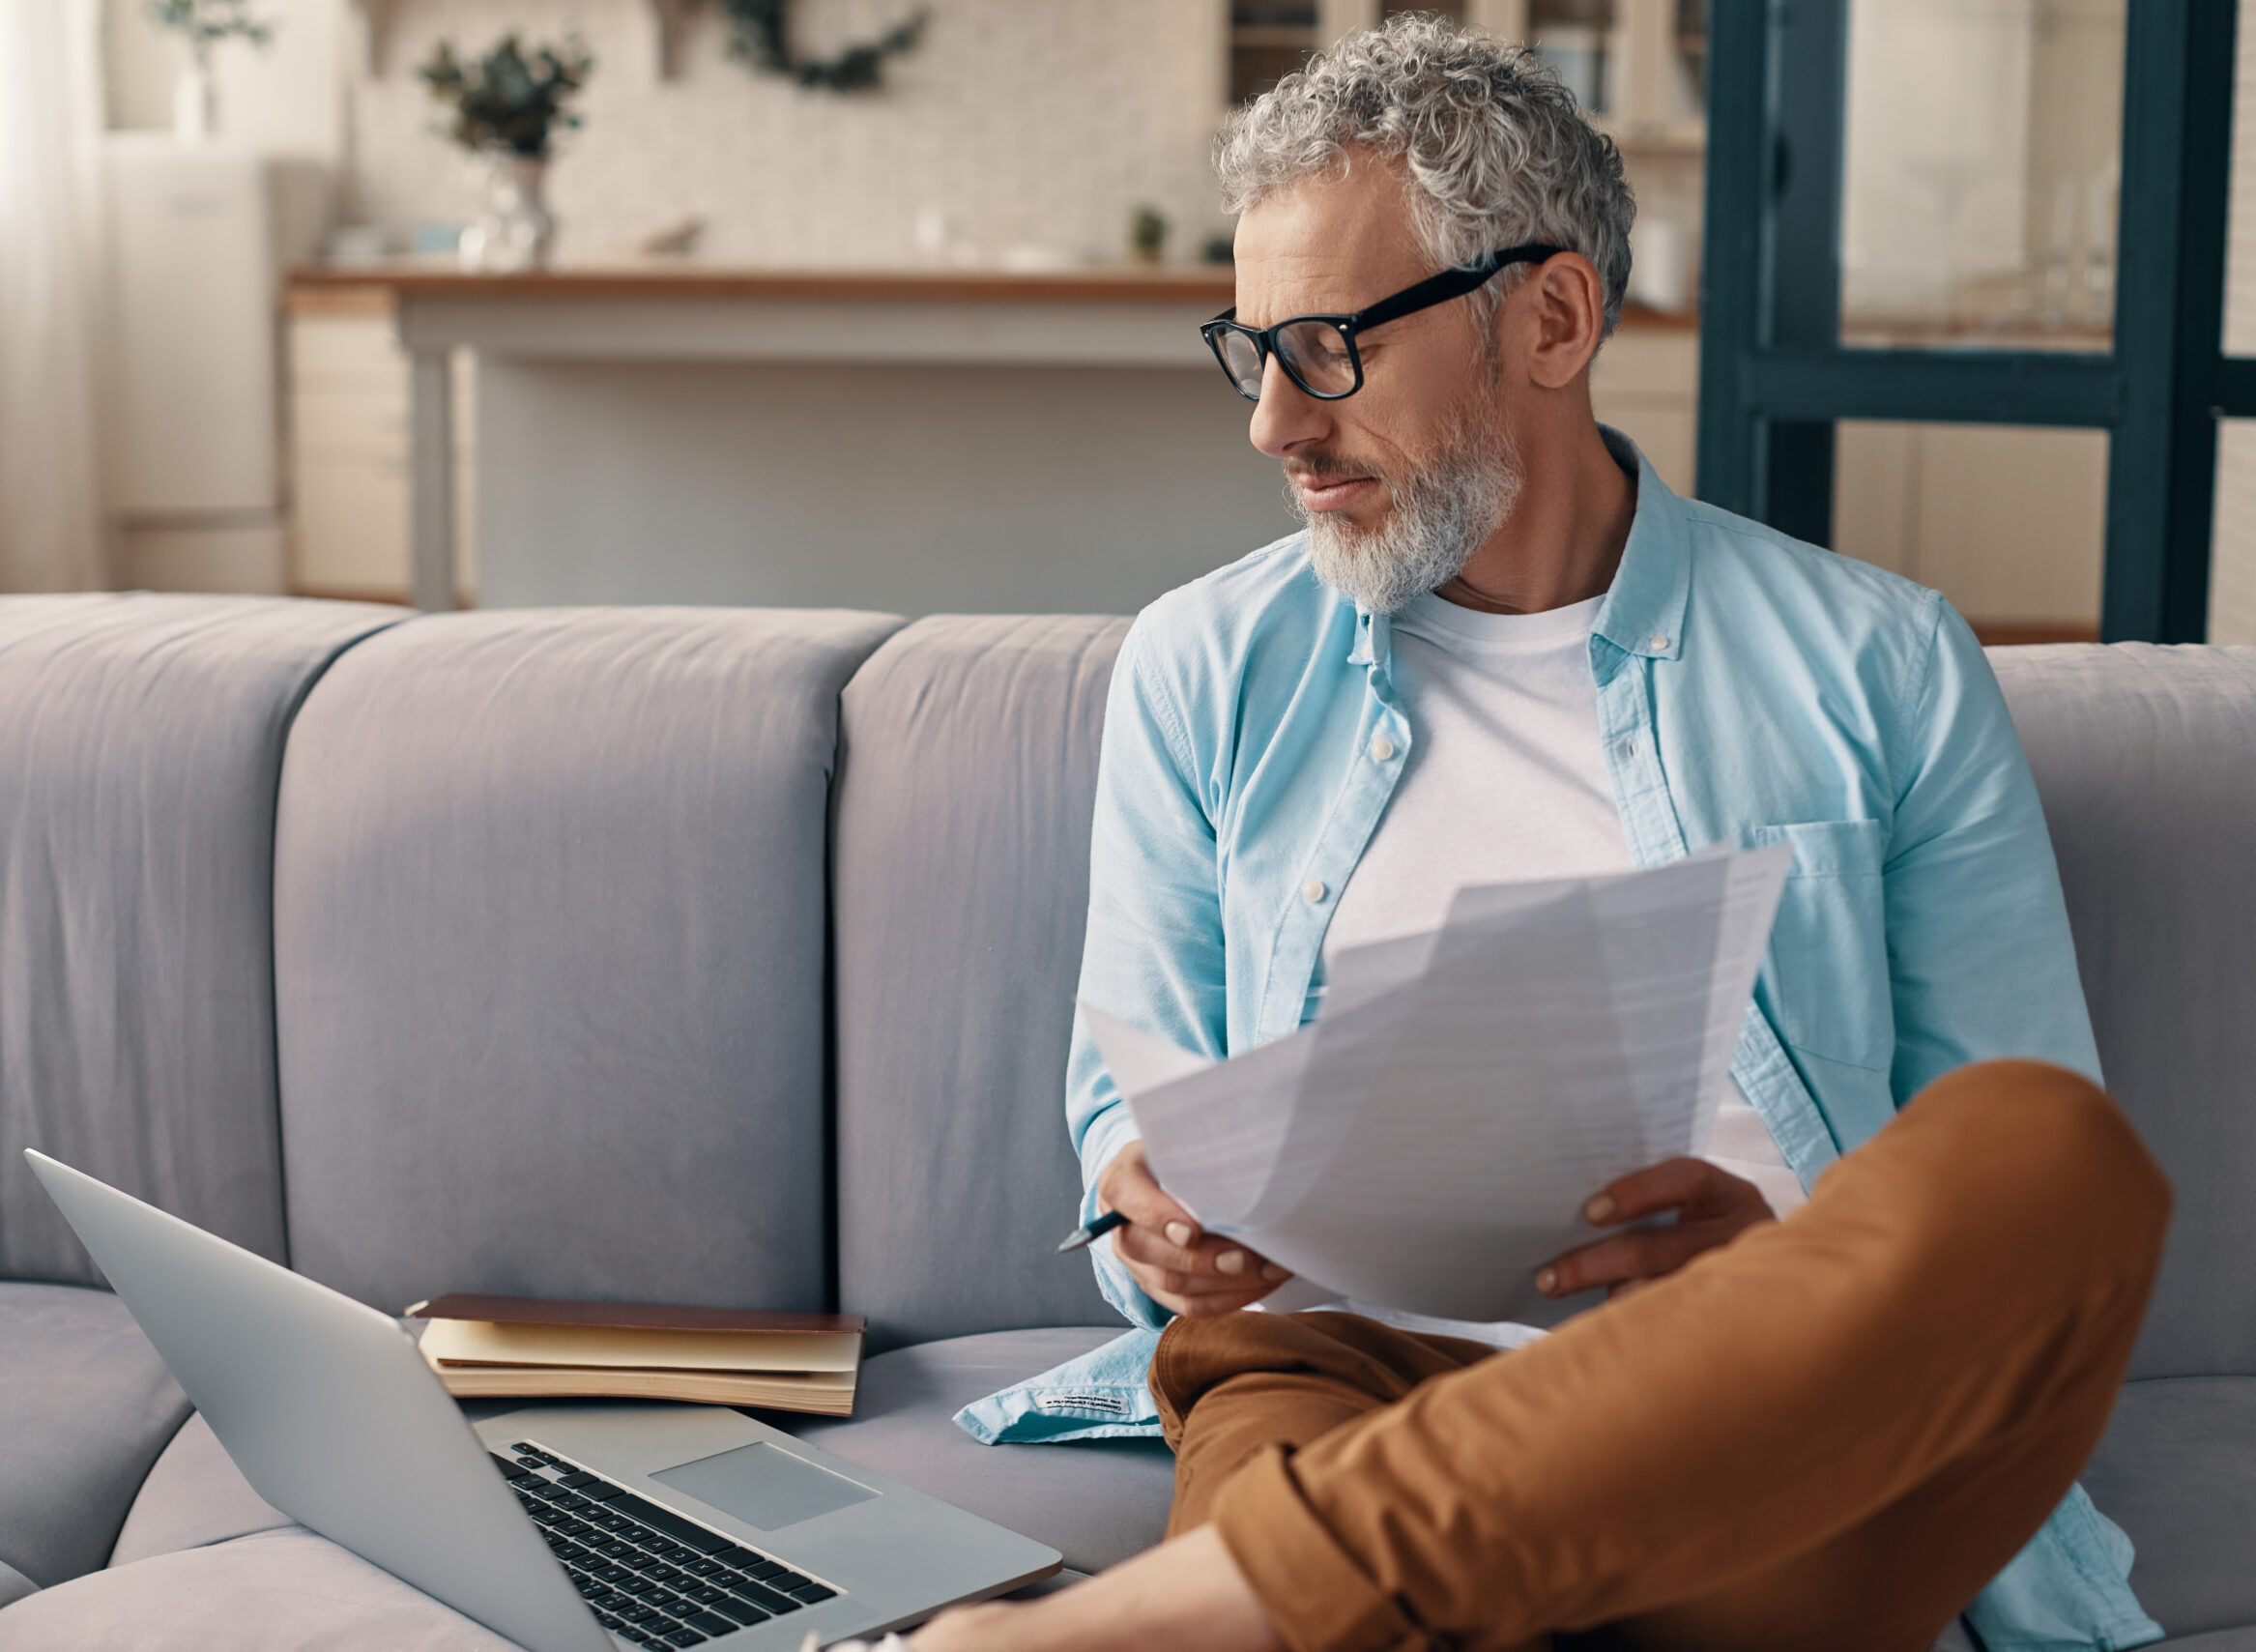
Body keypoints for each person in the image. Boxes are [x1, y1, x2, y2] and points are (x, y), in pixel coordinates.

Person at [925, 18, 2170, 1652]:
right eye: (1251, 350)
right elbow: (1125, 1091)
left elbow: (2000, 1158)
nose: (1273, 428)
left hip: (1741, 1391)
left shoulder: (1880, 660)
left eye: (1329, 346)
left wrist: (1792, 1252)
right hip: (1336, 1370)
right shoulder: (1201, 663)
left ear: (1555, 316)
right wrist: (1145, 1205)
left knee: (2051, 1153)